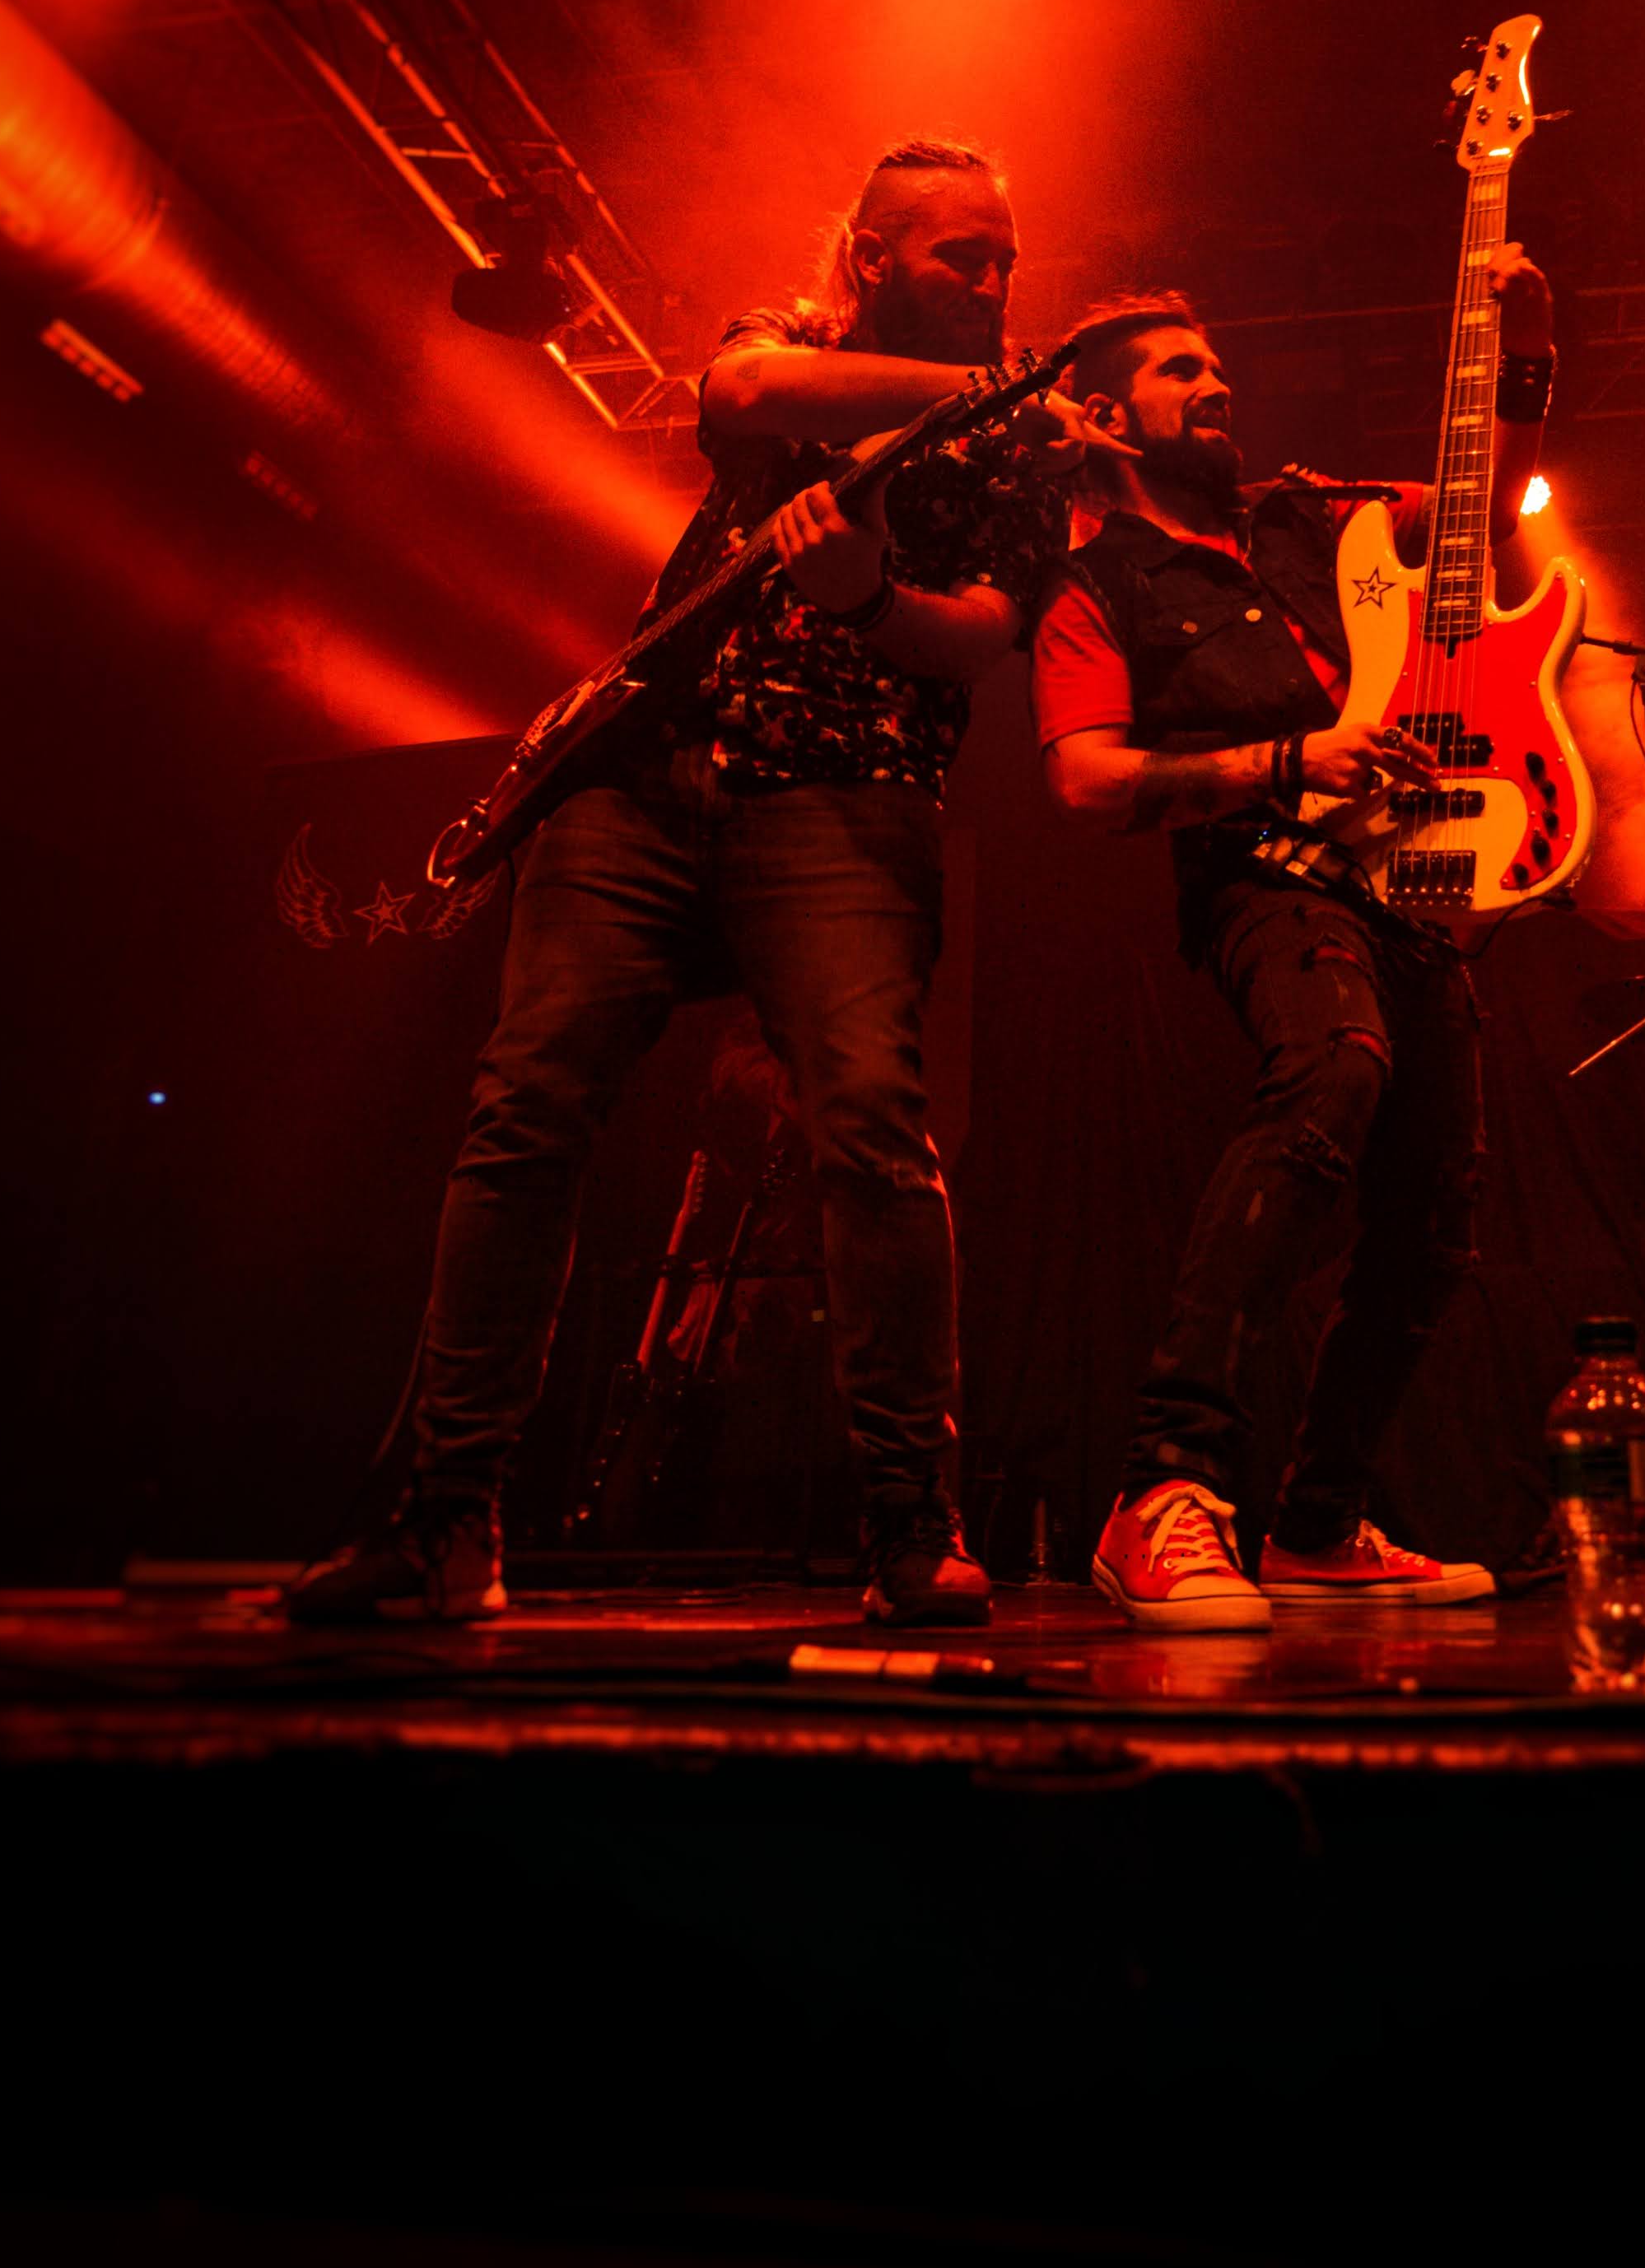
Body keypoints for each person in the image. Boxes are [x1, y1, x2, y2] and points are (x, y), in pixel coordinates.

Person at [287, 139, 1076, 1630]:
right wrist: (971, 390)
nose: (991, 283)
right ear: (871, 257)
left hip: (848, 793)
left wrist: (869, 597)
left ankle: (911, 1521)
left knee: (870, 1132)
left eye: (1004, 263)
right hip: (640, 774)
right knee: (524, 1113)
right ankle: (445, 1516)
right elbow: (744, 395)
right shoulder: (797, 342)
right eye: (959, 255)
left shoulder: (1026, 443)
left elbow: (986, 632)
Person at [1030, 267, 1554, 1628]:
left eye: (1217, 366)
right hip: (1265, 879)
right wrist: (1288, 760)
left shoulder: (1309, 521)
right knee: (1334, 1070)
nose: (1218, 385)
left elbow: (1484, 511)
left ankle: (1317, 1524)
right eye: (1179, 371)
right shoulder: (1096, 583)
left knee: (1436, 1215)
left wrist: (1527, 356)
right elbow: (1084, 780)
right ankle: (1163, 1485)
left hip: (1410, 885)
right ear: (1105, 415)